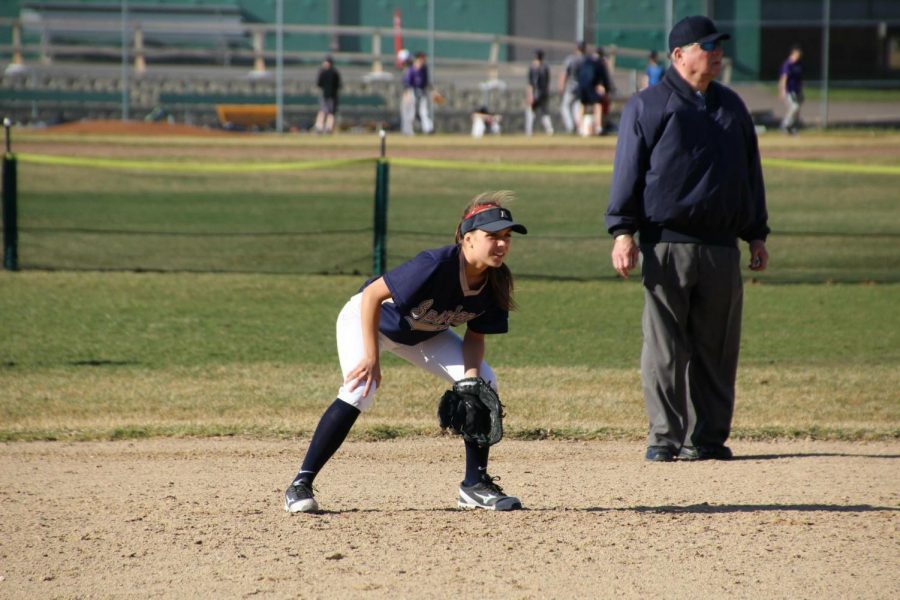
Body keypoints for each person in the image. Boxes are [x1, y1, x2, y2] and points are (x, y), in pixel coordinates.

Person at [284, 191, 528, 513]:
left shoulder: (496, 282)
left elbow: (475, 336)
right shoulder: (436, 265)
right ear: (467, 239)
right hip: (368, 320)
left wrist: (470, 383)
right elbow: (372, 295)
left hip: (424, 333)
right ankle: (300, 483)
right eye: (492, 236)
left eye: (507, 237)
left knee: (484, 382)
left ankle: (474, 485)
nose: (502, 244)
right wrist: (371, 357)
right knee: (360, 388)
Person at [604, 15, 770, 463]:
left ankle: (709, 439)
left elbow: (750, 175)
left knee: (716, 349)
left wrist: (755, 234)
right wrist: (623, 233)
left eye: (718, 46)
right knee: (664, 347)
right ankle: (664, 437)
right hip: (665, 244)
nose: (716, 53)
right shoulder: (649, 104)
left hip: (720, 247)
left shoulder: (731, 106)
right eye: (706, 46)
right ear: (679, 55)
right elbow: (628, 172)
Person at [577, 45, 612, 136]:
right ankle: (598, 127)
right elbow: (605, 79)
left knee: (583, 104)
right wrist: (607, 89)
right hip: (591, 86)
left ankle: (580, 128)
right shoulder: (600, 63)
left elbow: (579, 73)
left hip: (582, 85)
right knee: (598, 104)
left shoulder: (586, 60)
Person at [558, 41, 586, 134]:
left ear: (576, 48)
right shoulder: (586, 60)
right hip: (582, 88)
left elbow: (564, 74)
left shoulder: (570, 59)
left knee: (564, 106)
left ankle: (570, 127)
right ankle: (579, 128)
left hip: (571, 87)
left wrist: (561, 86)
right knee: (576, 108)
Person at [403, 52, 434, 134]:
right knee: (411, 112)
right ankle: (408, 131)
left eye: (424, 59)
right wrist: (407, 94)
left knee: (424, 111)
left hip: (422, 91)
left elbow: (426, 82)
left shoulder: (424, 69)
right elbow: (407, 83)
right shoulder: (411, 69)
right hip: (412, 91)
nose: (423, 60)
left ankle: (428, 129)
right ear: (417, 59)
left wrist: (433, 91)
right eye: (421, 59)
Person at [525, 49, 553, 136]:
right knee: (544, 112)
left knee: (530, 112)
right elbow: (548, 83)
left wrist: (530, 95)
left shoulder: (533, 68)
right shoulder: (545, 67)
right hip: (544, 93)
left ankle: (529, 132)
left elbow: (531, 83)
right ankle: (549, 130)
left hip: (536, 93)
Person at [778, 45, 804, 134]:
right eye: (796, 55)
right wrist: (782, 90)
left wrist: (801, 90)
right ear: (792, 54)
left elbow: (800, 78)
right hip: (790, 90)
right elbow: (784, 78)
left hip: (797, 90)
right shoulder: (788, 64)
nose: (798, 57)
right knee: (794, 107)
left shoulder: (799, 64)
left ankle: (792, 127)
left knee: (797, 109)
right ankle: (785, 124)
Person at [314, 56, 341, 134]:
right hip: (329, 95)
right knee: (325, 112)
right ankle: (322, 127)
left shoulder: (328, 72)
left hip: (330, 96)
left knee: (328, 112)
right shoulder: (333, 72)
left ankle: (325, 127)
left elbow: (319, 84)